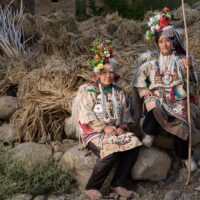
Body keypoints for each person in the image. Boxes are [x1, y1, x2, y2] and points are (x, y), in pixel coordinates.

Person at [71, 40, 142, 200]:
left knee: (134, 144)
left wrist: (122, 127)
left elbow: (125, 112)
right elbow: (85, 115)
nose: (108, 75)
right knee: (112, 152)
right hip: (95, 132)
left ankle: (118, 183)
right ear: (97, 73)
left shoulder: (119, 91)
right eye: (104, 72)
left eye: (111, 72)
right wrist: (104, 128)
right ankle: (92, 187)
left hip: (115, 131)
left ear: (115, 73)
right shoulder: (89, 90)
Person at [132, 8, 200, 172]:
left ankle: (185, 157)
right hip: (159, 99)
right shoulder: (152, 60)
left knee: (182, 127)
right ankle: (149, 132)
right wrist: (143, 91)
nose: (165, 44)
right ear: (157, 43)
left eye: (168, 41)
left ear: (173, 42)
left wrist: (188, 69)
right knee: (152, 104)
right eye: (161, 41)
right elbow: (139, 77)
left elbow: (192, 82)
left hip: (177, 101)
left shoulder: (182, 60)